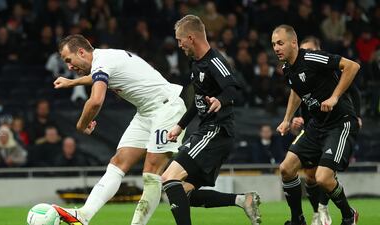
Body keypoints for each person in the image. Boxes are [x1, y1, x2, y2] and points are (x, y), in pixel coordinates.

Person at [52, 34, 258, 225]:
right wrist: (73, 82)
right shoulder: (103, 61)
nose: (69, 66)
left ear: (81, 52)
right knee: (118, 162)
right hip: (146, 112)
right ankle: (84, 215)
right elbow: (95, 78)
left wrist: (80, 125)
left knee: (152, 170)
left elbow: (95, 101)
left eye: (68, 60)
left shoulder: (103, 61)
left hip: (167, 106)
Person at [161, 15, 261, 225]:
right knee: (182, 192)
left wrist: (221, 101)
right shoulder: (196, 63)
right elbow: (197, 102)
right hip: (208, 130)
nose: (179, 45)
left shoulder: (215, 61)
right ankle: (243, 200)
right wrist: (180, 126)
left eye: (180, 40)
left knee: (169, 178)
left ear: (191, 38)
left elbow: (234, 87)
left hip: (216, 131)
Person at [272, 25, 360, 225]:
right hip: (316, 125)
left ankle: (349, 215)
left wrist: (335, 97)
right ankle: (297, 220)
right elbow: (296, 90)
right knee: (286, 168)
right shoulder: (287, 68)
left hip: (340, 123)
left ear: (294, 43)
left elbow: (352, 66)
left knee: (323, 178)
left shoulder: (312, 58)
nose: (276, 48)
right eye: (273, 44)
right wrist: (287, 119)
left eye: (280, 43)